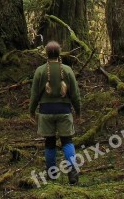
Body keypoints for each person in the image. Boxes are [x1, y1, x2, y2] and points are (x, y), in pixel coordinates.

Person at [29, 40, 81, 185]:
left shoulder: (40, 70)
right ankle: (73, 174)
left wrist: (31, 111)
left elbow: (34, 95)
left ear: (46, 53)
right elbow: (75, 95)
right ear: (60, 53)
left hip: (45, 112)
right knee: (67, 141)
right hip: (64, 110)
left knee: (50, 142)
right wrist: (78, 111)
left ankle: (51, 173)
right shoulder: (67, 70)